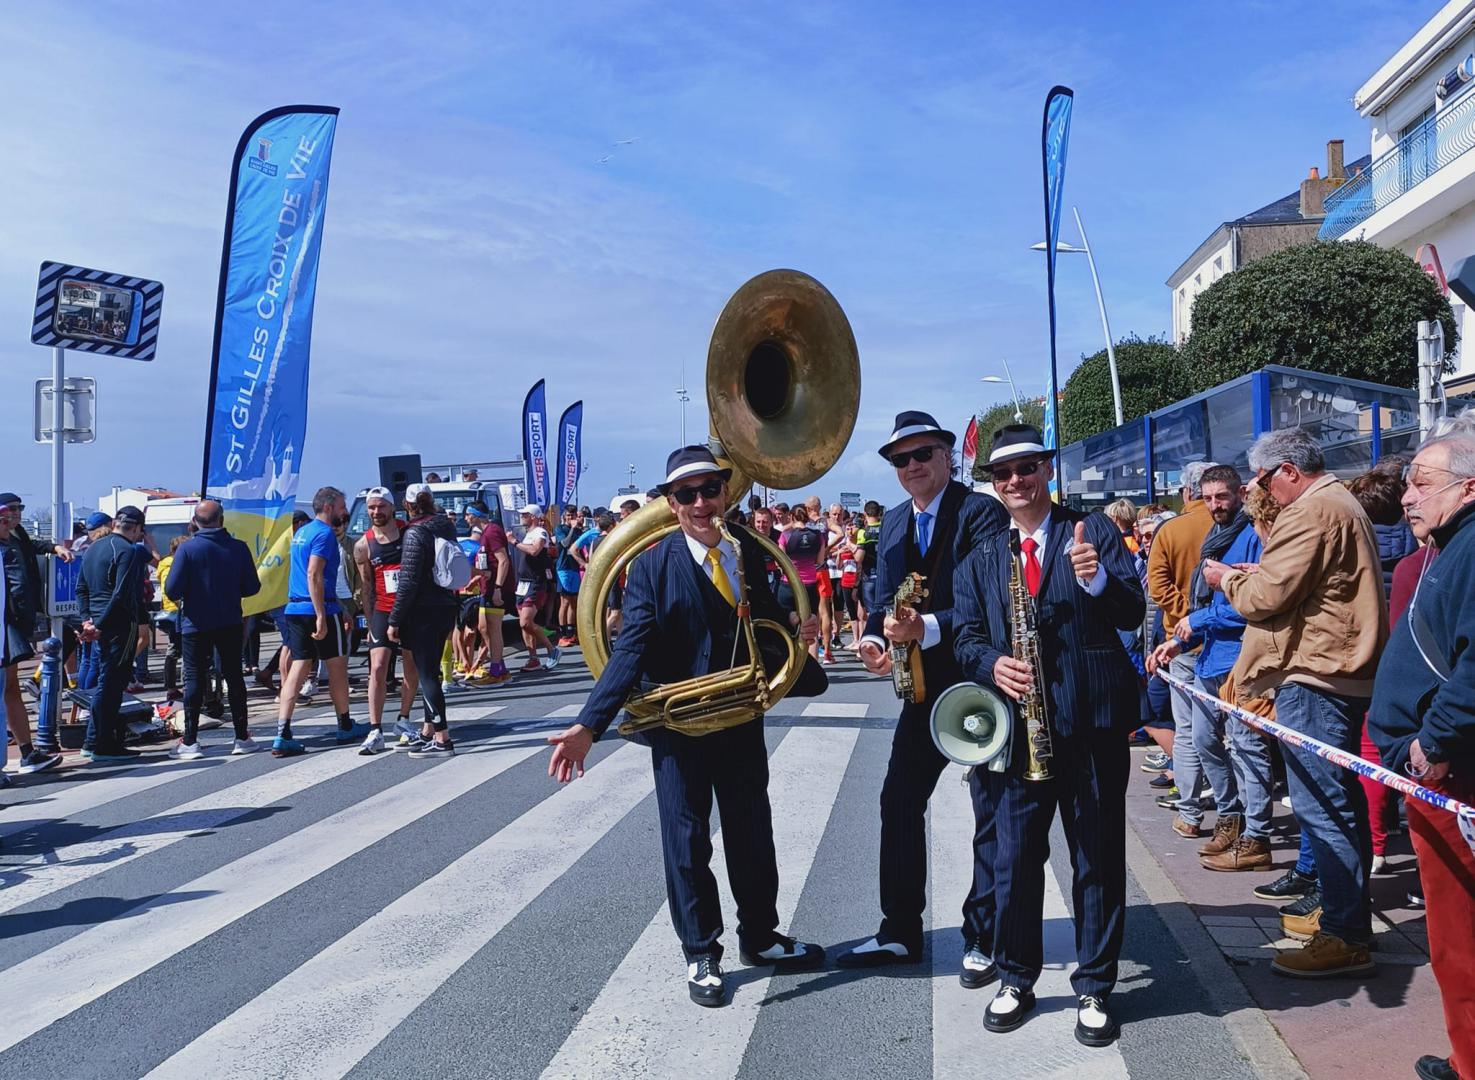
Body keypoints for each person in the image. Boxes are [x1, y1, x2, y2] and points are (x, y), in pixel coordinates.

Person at [546, 446, 824, 1008]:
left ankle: (761, 937)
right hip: (679, 730)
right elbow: (631, 651)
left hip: (741, 718)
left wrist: (796, 629)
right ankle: (701, 952)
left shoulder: (746, 551)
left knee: (752, 833)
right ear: (671, 505)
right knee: (686, 842)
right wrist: (587, 726)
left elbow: (766, 618)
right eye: (687, 495)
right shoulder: (650, 566)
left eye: (709, 490)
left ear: (725, 492)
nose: (701, 502)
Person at [953, 422, 1144, 1047]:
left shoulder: (1092, 532)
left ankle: (1094, 985)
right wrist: (991, 665)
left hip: (1090, 723)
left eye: (1025, 469)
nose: (1014, 482)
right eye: (1002, 475)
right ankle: (1016, 975)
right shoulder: (983, 555)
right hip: (1017, 733)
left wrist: (1094, 579)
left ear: (1046, 469)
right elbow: (965, 637)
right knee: (1013, 862)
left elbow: (1131, 611)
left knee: (1095, 857)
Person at [1203, 427, 1387, 978]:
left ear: (1287, 470)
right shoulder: (1337, 503)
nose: (1261, 492)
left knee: (1321, 805)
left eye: (1263, 479)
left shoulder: (1312, 511)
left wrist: (1225, 581)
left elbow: (1269, 597)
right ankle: (1342, 913)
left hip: (1317, 674)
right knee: (1334, 802)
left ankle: (1345, 934)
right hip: (1329, 671)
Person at [840, 411, 1008, 989]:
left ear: (946, 456)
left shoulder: (981, 511)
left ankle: (985, 934)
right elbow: (882, 598)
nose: (911, 466)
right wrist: (872, 639)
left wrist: (926, 629)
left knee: (992, 808)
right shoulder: (890, 523)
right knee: (898, 801)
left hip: (978, 680)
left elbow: (994, 603)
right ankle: (899, 930)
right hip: (921, 689)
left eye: (922, 455)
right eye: (900, 460)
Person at [1365, 426, 1475, 1080]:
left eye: (1421, 482)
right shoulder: (1447, 549)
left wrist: (1432, 743)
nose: (1406, 496)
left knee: (1458, 939)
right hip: (1444, 772)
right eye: (1407, 482)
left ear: (1469, 487)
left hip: (1452, 778)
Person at [1148, 465, 1273, 871]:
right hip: (1209, 656)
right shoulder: (1214, 537)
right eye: (1208, 497)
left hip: (1242, 661)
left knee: (1245, 749)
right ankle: (1230, 816)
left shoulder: (1253, 534)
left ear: (1238, 493)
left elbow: (1251, 604)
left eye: (1222, 496)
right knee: (1203, 741)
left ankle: (1256, 835)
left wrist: (1194, 623)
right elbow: (1205, 603)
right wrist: (1178, 639)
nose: (1215, 505)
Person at [1348, 464, 1416, 874]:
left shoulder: (1358, 546)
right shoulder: (1420, 549)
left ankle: (1374, 846)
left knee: (1369, 754)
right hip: (1409, 659)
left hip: (1370, 657)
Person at [1146, 461, 1219, 834]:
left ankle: (1190, 813)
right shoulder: (1235, 525)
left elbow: (1157, 588)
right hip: (1230, 640)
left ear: (1185, 493)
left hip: (1184, 644)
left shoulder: (1171, 530)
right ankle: (1237, 818)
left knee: (1189, 730)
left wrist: (1187, 617)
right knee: (1236, 735)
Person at [162, 500, 261, 757]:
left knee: (193, 677)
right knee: (234, 676)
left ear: (195, 521)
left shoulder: (187, 549)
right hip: (229, 620)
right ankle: (241, 736)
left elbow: (172, 589)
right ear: (222, 520)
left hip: (195, 622)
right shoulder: (238, 548)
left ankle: (191, 740)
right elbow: (252, 587)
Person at [273, 487, 364, 757]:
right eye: (341, 507)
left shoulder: (302, 532)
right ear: (329, 506)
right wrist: (323, 615)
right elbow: (314, 574)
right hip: (317, 608)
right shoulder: (324, 534)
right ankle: (344, 724)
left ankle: (282, 731)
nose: (344, 512)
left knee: (298, 667)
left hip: (295, 607)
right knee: (337, 665)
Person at [0, 493, 72, 776]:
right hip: (9, 624)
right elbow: (15, 585)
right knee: (8, 688)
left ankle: (27, 750)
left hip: (13, 623)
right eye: (9, 514)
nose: (15, 516)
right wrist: (19, 618)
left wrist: (54, 547)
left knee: (10, 688)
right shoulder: (6, 546)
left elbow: (33, 549)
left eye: (19, 509)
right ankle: (26, 750)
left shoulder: (16, 537)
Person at [388, 484, 461, 756]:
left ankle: (442, 738)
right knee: (429, 667)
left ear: (407, 505)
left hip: (423, 610)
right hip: (445, 604)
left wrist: (395, 619)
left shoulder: (415, 533)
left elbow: (408, 581)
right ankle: (428, 730)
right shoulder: (446, 527)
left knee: (427, 673)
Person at [76, 506, 149, 762]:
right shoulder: (127, 551)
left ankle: (94, 740)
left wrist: (88, 620)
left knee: (105, 681)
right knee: (112, 684)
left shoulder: (94, 547)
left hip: (96, 620)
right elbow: (121, 594)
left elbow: (81, 588)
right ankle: (102, 744)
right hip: (118, 624)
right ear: (138, 528)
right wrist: (100, 625)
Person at [353, 487, 421, 753]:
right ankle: (375, 729)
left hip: (410, 610)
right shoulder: (363, 545)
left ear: (392, 508)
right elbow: (366, 587)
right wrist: (370, 624)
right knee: (378, 667)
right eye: (371, 507)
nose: (376, 512)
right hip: (383, 609)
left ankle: (403, 720)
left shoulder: (410, 533)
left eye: (381, 507)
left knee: (411, 667)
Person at [512, 504, 560, 673]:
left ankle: (551, 649)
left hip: (536, 581)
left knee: (525, 620)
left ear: (532, 516)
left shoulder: (540, 532)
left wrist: (515, 542)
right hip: (523, 582)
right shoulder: (528, 534)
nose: (521, 517)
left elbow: (534, 550)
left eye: (524, 514)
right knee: (524, 624)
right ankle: (533, 658)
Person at [553, 506, 583, 646]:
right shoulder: (560, 529)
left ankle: (572, 632)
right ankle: (562, 634)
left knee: (573, 601)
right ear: (565, 516)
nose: (571, 518)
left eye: (573, 515)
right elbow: (565, 544)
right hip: (563, 567)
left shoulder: (578, 531)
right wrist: (571, 529)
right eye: (569, 515)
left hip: (574, 568)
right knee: (564, 601)